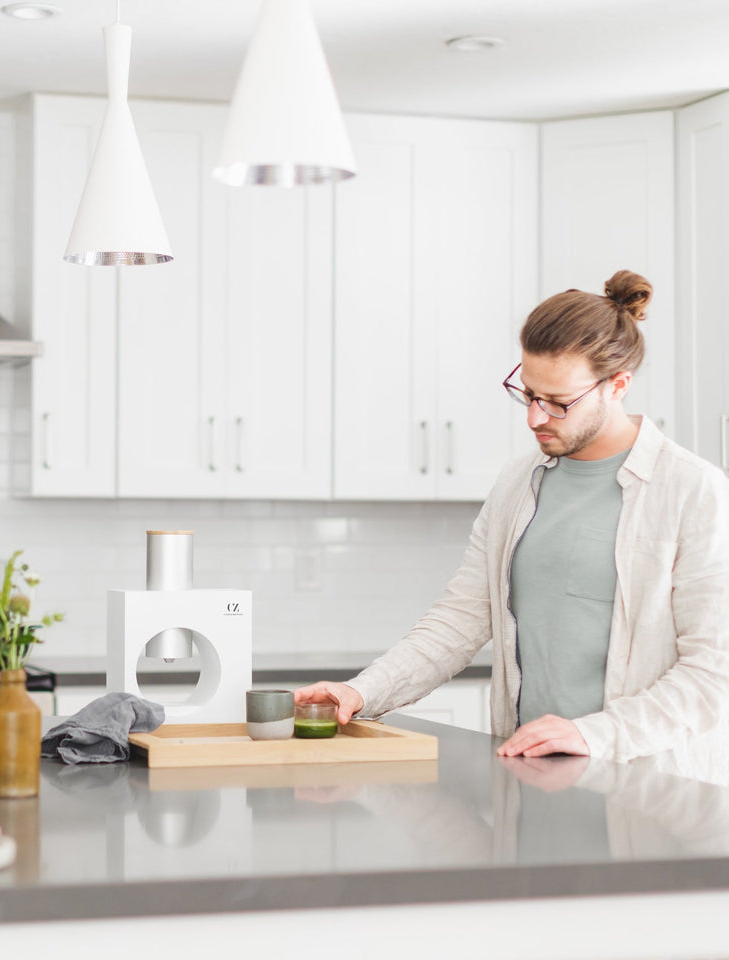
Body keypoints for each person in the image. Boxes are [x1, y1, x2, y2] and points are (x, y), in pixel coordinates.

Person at [296, 270, 729, 774]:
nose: (535, 418)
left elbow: (712, 673)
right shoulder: (519, 483)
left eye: (558, 403)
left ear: (618, 385)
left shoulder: (694, 490)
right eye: (527, 394)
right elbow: (460, 619)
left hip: (647, 788)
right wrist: (361, 691)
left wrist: (593, 733)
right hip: (532, 780)